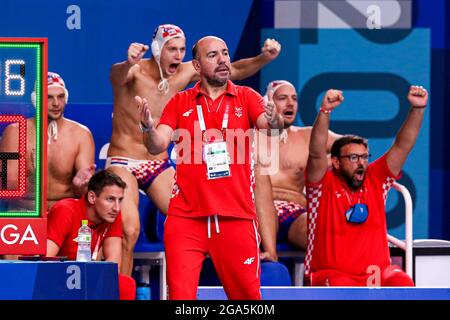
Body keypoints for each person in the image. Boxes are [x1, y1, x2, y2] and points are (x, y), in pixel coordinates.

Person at [107, 23, 281, 275]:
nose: (178, 55)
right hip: (124, 160)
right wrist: (127, 62)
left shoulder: (188, 70)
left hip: (156, 162)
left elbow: (238, 69)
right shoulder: (134, 71)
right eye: (172, 49)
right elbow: (116, 76)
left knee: (193, 215)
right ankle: (121, 289)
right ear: (157, 50)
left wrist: (265, 58)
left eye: (182, 49)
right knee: (129, 229)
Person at [304, 86, 428, 286]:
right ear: (335, 162)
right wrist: (325, 111)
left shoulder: (377, 180)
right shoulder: (320, 185)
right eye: (353, 157)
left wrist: (418, 109)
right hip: (330, 275)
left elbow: (403, 145)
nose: (361, 163)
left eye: (364, 157)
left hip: (377, 275)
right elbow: (316, 152)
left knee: (402, 282)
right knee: (343, 286)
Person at [255, 80, 340, 262]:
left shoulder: (308, 136)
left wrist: (324, 162)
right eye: (282, 98)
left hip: (295, 213)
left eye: (294, 98)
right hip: (255, 213)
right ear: (267, 102)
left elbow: (352, 146)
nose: (290, 103)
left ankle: (328, 284)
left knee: (326, 238)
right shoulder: (249, 136)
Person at [0, 72, 96, 211]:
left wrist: (80, 186)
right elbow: (7, 190)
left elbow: (85, 195)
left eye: (60, 97)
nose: (56, 103)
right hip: (25, 212)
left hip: (64, 214)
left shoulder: (81, 134)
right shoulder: (16, 132)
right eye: (49, 97)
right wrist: (33, 176)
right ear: (36, 100)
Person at [46, 169, 135, 299]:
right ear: (92, 197)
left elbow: (113, 266)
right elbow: (46, 261)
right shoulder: (65, 210)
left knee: (125, 285)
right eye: (110, 199)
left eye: (120, 200)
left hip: (85, 276)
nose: (117, 208)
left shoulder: (112, 215)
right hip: (57, 278)